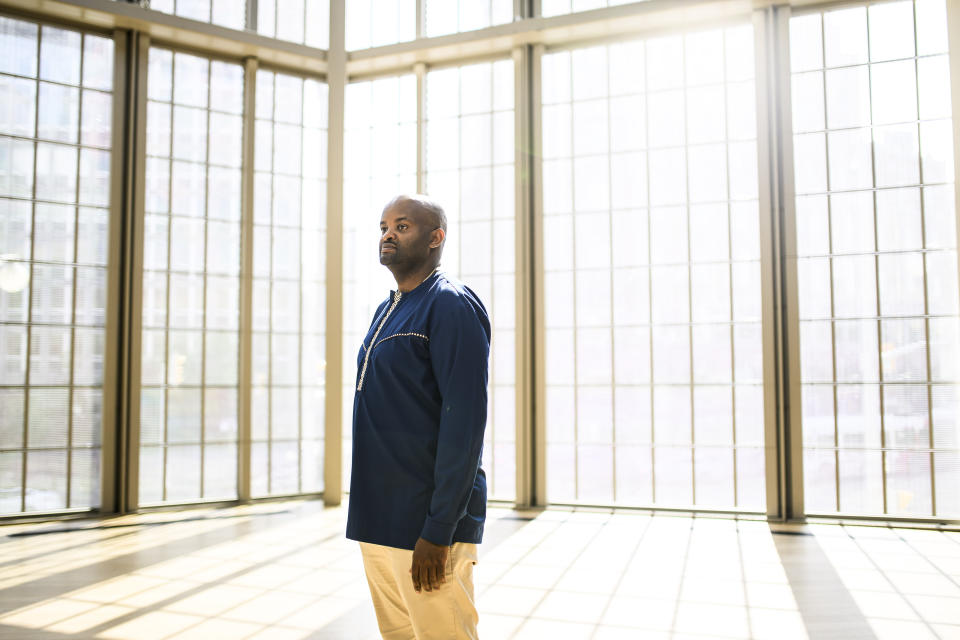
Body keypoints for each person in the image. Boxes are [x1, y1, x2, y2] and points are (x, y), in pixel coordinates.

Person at [347, 194, 490, 640]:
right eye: (384, 226)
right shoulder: (386, 308)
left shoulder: (451, 304)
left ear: (436, 238)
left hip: (426, 524)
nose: (388, 234)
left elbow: (464, 424)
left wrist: (439, 529)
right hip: (378, 519)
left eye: (402, 226)